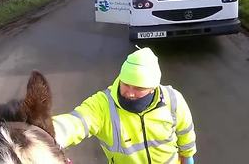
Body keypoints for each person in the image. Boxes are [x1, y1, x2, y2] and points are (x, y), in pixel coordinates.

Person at [53, 48, 197, 164]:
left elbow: (186, 134)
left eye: (138, 88)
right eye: (126, 84)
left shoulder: (173, 99)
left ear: (153, 87)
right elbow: (76, 122)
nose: (130, 93)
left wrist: (188, 157)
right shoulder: (103, 104)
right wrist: (46, 133)